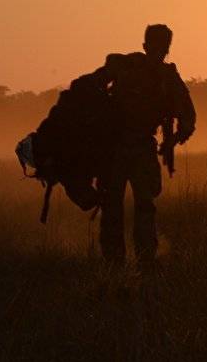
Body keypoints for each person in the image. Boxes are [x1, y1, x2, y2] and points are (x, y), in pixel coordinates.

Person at [77, 23, 196, 267]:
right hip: (117, 148)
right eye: (157, 47)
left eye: (163, 49)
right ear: (146, 46)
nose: (159, 53)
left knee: (143, 205)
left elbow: (187, 116)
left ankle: (141, 260)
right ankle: (118, 262)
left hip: (139, 147)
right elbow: (90, 87)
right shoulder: (127, 66)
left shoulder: (165, 76)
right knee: (115, 206)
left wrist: (173, 139)